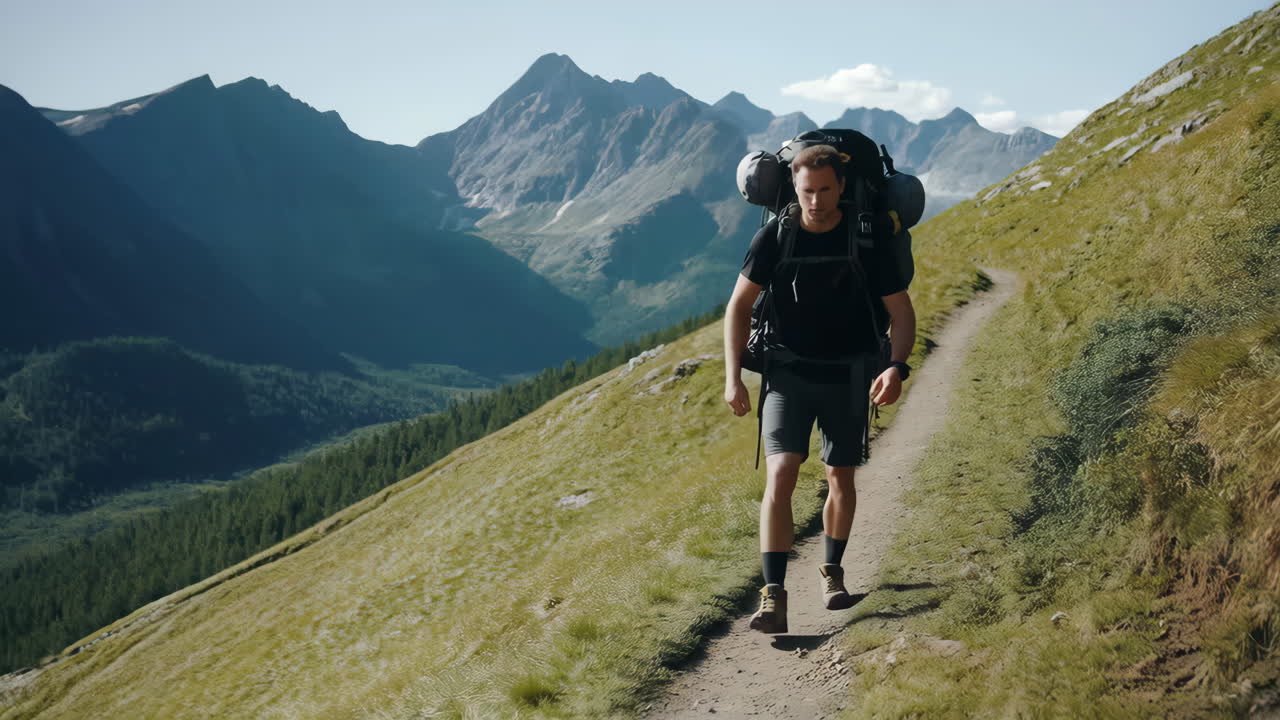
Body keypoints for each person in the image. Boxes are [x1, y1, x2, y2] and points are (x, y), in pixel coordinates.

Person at [722, 144, 916, 634]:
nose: (815, 200)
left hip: (849, 375)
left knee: (840, 477)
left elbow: (901, 312)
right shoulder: (776, 235)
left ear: (841, 187)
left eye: (825, 190)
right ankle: (773, 596)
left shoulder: (865, 237)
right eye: (807, 191)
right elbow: (738, 307)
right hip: (788, 373)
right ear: (795, 186)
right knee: (781, 473)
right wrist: (732, 378)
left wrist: (895, 367)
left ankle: (832, 573)